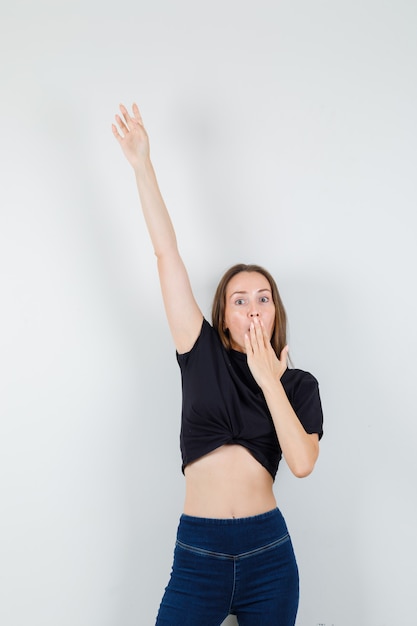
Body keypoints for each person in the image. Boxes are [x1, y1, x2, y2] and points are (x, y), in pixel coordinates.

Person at [112, 103, 324, 626]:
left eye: (263, 298)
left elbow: (301, 463)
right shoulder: (199, 351)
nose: (252, 308)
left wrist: (270, 381)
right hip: (199, 554)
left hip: (269, 555)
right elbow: (167, 255)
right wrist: (143, 164)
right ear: (223, 318)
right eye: (239, 300)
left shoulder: (299, 385)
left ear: (276, 312)